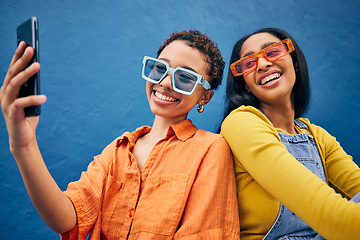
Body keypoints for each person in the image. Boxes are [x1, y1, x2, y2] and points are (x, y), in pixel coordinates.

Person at [0, 29, 240, 239]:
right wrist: (24, 147)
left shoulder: (210, 148)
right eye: (160, 68)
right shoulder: (118, 150)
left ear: (204, 97)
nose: (166, 83)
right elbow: (67, 219)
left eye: (185, 78)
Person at [220, 27, 360, 240]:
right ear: (245, 86)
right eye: (249, 63)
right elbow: (341, 222)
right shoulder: (241, 122)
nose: (263, 64)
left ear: (294, 62)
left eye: (273, 52)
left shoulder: (317, 136)